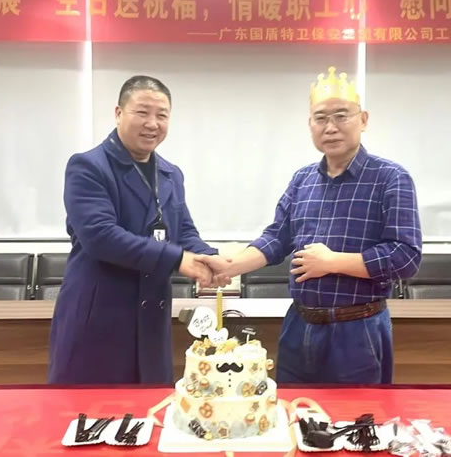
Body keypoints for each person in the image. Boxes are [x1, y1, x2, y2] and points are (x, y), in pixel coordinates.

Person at [202, 67, 422, 384]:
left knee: (355, 415)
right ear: (310, 125)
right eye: (321, 118)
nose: (330, 127)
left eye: (341, 116)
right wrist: (230, 265)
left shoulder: (390, 178)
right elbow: (277, 238)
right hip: (299, 325)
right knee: (292, 410)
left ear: (363, 120)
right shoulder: (303, 179)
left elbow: (406, 257)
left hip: (357, 330)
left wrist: (333, 262)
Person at [48, 75, 230, 385]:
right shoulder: (88, 167)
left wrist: (208, 259)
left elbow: (183, 231)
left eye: (162, 115)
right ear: (118, 113)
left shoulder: (170, 174)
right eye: (142, 112)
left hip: (151, 318)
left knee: (149, 406)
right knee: (91, 407)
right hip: (98, 316)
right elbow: (100, 236)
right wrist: (178, 259)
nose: (152, 124)